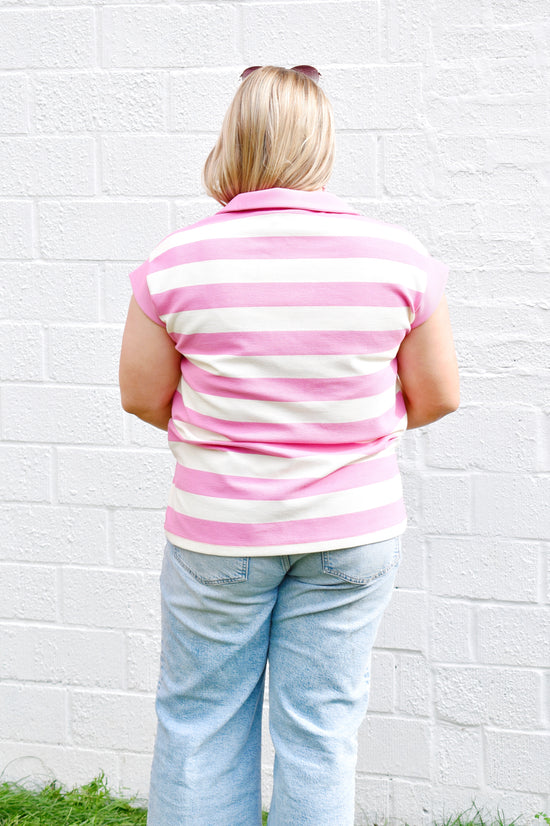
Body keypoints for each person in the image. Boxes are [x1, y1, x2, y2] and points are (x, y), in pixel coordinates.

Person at [119, 65, 459, 826]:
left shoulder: (178, 259)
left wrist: (230, 433)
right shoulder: (396, 256)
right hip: (353, 530)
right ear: (322, 144)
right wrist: (348, 432)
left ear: (233, 141)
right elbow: (439, 394)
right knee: (321, 731)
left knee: (200, 724)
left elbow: (142, 395)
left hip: (219, 533)